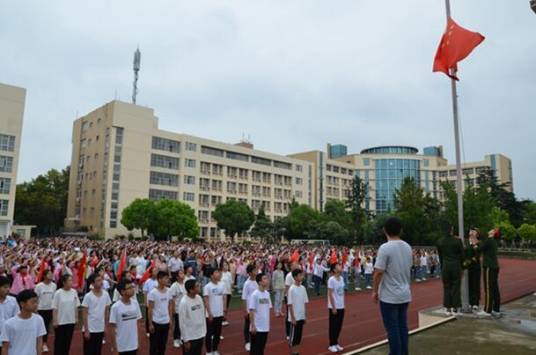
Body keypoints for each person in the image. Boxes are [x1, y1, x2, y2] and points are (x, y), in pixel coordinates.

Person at [372, 217, 413, 355]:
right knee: (402, 326)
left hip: (390, 296)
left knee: (392, 328)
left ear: (385, 230)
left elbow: (378, 272)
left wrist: (375, 291)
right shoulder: (407, 247)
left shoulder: (385, 248)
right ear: (400, 230)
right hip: (405, 293)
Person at [0, 289, 46, 355]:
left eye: (37, 302)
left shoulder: (39, 320)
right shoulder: (9, 324)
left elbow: (39, 341)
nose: (36, 304)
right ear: (22, 304)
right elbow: (5, 347)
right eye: (33, 302)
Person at [471, 228, 501, 317]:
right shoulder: (493, 241)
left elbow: (479, 249)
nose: (490, 230)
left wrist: (474, 245)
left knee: (488, 289)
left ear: (493, 233)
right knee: (495, 288)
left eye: (492, 230)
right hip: (494, 267)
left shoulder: (489, 240)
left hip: (489, 267)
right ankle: (496, 309)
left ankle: (487, 310)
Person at [109, 279, 142, 355]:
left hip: (133, 345)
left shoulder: (135, 303)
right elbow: (112, 328)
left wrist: (139, 342)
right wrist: (114, 347)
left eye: (132, 287)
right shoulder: (115, 307)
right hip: (121, 346)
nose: (132, 290)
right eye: (129, 288)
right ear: (123, 292)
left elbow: (138, 323)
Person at [81, 273, 112, 355]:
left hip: (100, 328)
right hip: (90, 328)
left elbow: (106, 311)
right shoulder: (88, 296)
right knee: (88, 351)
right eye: (98, 280)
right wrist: (86, 330)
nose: (101, 282)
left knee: (97, 350)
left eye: (101, 279)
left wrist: (105, 326)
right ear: (92, 283)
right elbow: (84, 313)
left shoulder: (106, 294)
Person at [436, 226, 464, 315]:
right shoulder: (457, 241)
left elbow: (440, 257)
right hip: (455, 266)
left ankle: (448, 308)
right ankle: (455, 308)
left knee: (446, 287)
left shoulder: (440, 241)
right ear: (452, 230)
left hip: (445, 266)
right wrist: (463, 267)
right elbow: (462, 255)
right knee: (456, 287)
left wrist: (442, 267)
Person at [52, 274, 80, 355]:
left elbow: (76, 306)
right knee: (59, 342)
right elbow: (55, 307)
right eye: (69, 280)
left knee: (67, 342)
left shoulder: (74, 292)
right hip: (60, 322)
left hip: (70, 321)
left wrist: (76, 318)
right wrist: (55, 320)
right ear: (64, 282)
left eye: (72, 280)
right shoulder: (58, 293)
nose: (71, 282)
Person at [147, 271, 173, 355]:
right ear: (159, 279)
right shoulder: (153, 293)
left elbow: (169, 306)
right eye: (165, 278)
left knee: (163, 345)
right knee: (154, 345)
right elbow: (150, 309)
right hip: (156, 322)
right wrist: (150, 324)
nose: (167, 280)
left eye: (167, 278)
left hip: (165, 322)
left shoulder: (169, 291)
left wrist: (170, 320)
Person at [179, 279, 206, 355]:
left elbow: (202, 315)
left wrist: (203, 332)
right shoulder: (184, 302)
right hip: (190, 337)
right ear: (191, 290)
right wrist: (186, 340)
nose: (200, 286)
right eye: (197, 286)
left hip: (199, 335)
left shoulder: (199, 298)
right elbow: (182, 323)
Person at [248, 273, 272, 355]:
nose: (267, 280)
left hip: (265, 326)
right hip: (257, 327)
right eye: (264, 279)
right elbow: (251, 310)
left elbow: (268, 309)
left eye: (267, 278)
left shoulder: (267, 294)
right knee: (255, 349)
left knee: (262, 348)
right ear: (259, 282)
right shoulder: (255, 295)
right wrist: (253, 325)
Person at [203, 268, 226, 355]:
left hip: (219, 313)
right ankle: (208, 351)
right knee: (209, 334)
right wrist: (209, 313)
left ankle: (215, 349)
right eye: (216, 272)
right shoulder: (207, 287)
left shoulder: (222, 285)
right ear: (211, 275)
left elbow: (224, 297)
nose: (218, 274)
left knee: (217, 333)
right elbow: (206, 300)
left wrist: (224, 310)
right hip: (210, 315)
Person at [287, 268, 309, 355]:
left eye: (302, 275)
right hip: (295, 318)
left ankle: (296, 352)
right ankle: (293, 352)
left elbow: (304, 303)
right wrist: (292, 317)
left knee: (299, 337)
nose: (302, 277)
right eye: (300, 275)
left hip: (301, 316)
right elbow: (290, 304)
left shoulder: (303, 288)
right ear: (295, 277)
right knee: (293, 338)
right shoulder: (292, 289)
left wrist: (305, 316)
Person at [35, 270, 56, 353]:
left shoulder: (54, 285)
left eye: (51, 273)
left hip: (50, 309)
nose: (51, 275)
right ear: (44, 276)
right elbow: (35, 299)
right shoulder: (39, 286)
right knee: (38, 327)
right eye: (49, 274)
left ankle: (44, 343)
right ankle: (37, 343)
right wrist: (35, 310)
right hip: (40, 310)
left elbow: (54, 298)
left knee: (46, 327)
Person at [327, 263, 345, 353]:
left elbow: (341, 292)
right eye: (338, 266)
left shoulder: (341, 278)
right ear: (334, 269)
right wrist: (333, 307)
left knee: (339, 326)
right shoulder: (331, 280)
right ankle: (331, 344)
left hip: (341, 305)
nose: (340, 266)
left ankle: (336, 342)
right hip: (334, 306)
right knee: (333, 326)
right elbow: (330, 294)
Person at [0, 276, 19, 354]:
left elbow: (17, 318)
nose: (8, 289)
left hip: (9, 336)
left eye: (9, 287)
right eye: (5, 287)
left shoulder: (13, 301)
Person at [241, 264, 258, 352]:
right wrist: (245, 310)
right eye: (255, 270)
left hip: (257, 308)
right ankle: (247, 342)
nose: (257, 271)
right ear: (250, 272)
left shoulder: (258, 281)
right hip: (249, 308)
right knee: (248, 325)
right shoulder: (247, 283)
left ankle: (254, 340)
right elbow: (244, 297)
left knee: (256, 324)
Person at [465, 229, 482, 312]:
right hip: (468, 267)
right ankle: (469, 302)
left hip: (475, 267)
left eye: (474, 231)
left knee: (475, 284)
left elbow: (477, 256)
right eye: (470, 231)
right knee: (469, 285)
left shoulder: (479, 243)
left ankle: (475, 303)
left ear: (477, 234)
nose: (471, 232)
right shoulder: (466, 242)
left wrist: (467, 262)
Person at [170, 270, 186, 348]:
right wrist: (173, 309)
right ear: (177, 276)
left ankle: (181, 338)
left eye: (183, 273)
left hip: (185, 309)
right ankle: (176, 339)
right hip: (177, 309)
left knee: (184, 324)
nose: (183, 274)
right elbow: (172, 298)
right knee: (177, 325)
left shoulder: (185, 284)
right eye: (181, 273)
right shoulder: (174, 285)